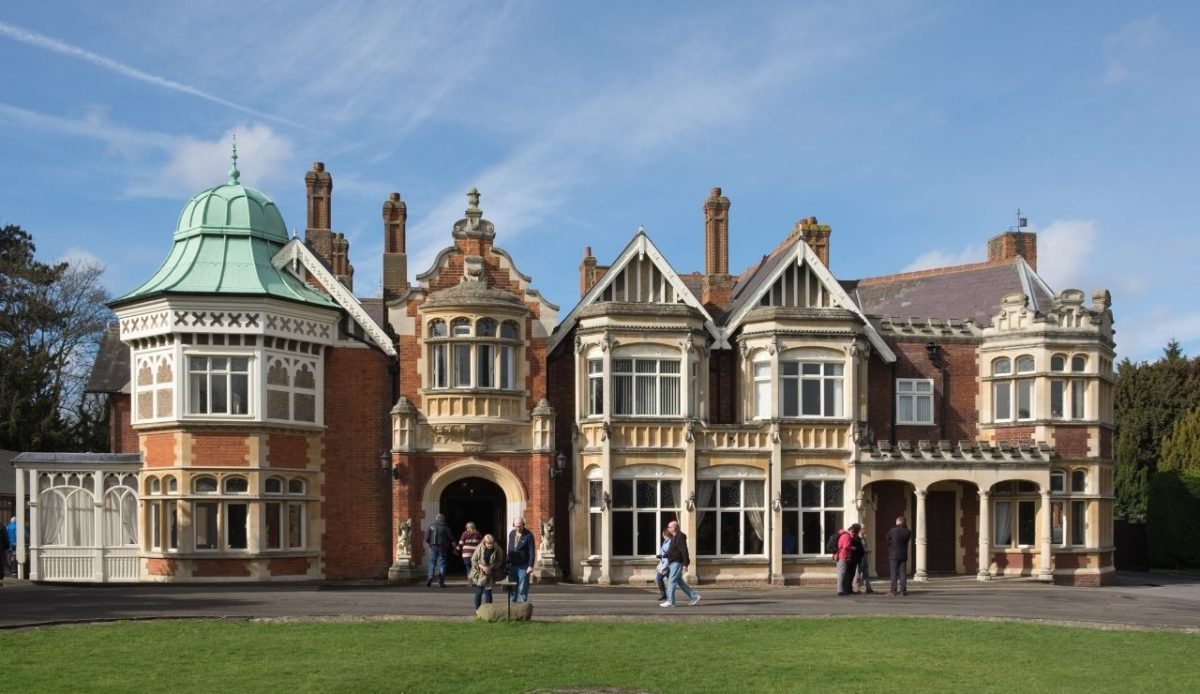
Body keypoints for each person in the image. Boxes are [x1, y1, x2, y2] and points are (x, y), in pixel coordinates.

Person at [661, 520, 700, 608]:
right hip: (673, 562)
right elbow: (674, 550)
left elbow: (684, 550)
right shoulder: (674, 536)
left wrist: (686, 564)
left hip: (677, 562)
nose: (668, 528)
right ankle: (694, 596)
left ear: (675, 527)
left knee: (671, 581)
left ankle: (671, 601)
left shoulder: (680, 536)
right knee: (680, 582)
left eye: (669, 527)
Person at [468, 533, 505, 610]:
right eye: (488, 543)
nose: (490, 545)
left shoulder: (497, 548)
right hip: (479, 573)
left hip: (490, 574)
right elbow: (473, 560)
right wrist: (482, 567)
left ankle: (488, 611)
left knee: (488, 592)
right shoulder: (479, 548)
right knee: (479, 592)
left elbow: (500, 560)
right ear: (484, 542)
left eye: (492, 543)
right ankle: (477, 610)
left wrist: (492, 567)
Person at [506, 517, 536, 603]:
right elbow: (510, 549)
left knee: (523, 587)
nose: (518, 528)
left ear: (523, 525)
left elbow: (531, 551)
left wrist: (530, 565)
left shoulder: (529, 535)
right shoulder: (511, 534)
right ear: (513, 525)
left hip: (523, 566)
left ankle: (522, 606)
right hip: (512, 565)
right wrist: (507, 562)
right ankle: (511, 607)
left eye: (520, 526)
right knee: (512, 587)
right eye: (516, 526)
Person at [424, 513, 455, 587]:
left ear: (436, 518)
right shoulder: (445, 527)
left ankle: (430, 577)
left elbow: (426, 539)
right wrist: (455, 548)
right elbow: (451, 538)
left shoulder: (431, 526)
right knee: (442, 564)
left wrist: (429, 546)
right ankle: (440, 582)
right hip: (443, 548)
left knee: (432, 563)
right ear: (443, 519)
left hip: (433, 547)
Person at [886, 515, 912, 596]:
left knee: (894, 572)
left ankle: (893, 590)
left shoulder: (892, 530)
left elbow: (887, 538)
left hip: (893, 554)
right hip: (903, 554)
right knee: (902, 572)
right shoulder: (908, 531)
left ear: (898, 522)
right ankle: (903, 590)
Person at [852, 526, 874, 594]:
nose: (865, 530)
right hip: (860, 558)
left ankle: (868, 588)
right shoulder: (859, 538)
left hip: (864, 558)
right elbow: (860, 548)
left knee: (866, 573)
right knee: (858, 573)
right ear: (861, 530)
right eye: (864, 529)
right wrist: (867, 550)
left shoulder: (863, 538)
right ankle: (856, 588)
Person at [834, 525, 855, 596]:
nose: (853, 533)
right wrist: (852, 548)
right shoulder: (847, 536)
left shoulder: (843, 535)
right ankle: (840, 590)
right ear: (849, 530)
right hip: (842, 555)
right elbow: (845, 546)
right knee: (841, 573)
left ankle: (841, 589)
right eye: (852, 531)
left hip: (838, 555)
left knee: (841, 573)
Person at [653, 529, 671, 601]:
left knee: (659, 578)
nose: (662, 536)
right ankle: (666, 595)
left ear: (665, 534)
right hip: (664, 563)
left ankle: (665, 595)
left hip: (666, 564)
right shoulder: (666, 542)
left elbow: (670, 553)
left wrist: (663, 556)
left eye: (662, 534)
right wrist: (661, 555)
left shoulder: (669, 542)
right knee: (671, 580)